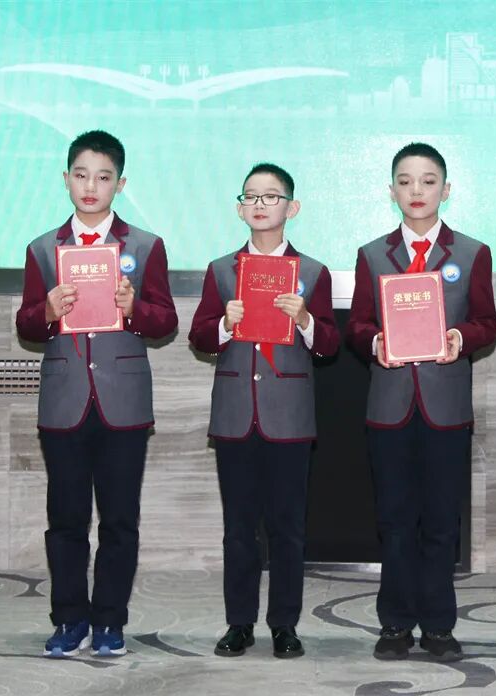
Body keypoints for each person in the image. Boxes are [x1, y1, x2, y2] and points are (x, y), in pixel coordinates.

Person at [16, 129, 178, 658]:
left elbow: (165, 322)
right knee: (65, 520)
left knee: (119, 521)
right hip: (63, 401)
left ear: (120, 184)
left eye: (103, 177)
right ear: (66, 179)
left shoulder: (145, 246)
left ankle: (109, 622)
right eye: (82, 176)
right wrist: (46, 311)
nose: (91, 187)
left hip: (123, 404)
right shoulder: (43, 248)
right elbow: (26, 325)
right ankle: (69, 620)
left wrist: (134, 308)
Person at [346, 142, 496, 662]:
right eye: (406, 181)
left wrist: (461, 337)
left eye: (428, 181)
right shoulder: (372, 254)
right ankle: (394, 624)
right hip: (389, 406)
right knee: (394, 520)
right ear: (391, 191)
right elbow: (357, 325)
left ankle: (438, 625)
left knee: (440, 522)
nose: (417, 191)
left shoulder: (472, 253)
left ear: (446, 190)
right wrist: (375, 342)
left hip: (446, 407)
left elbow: (488, 322)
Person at [188, 163, 340, 659]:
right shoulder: (221, 270)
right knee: (238, 529)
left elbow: (330, 346)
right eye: (250, 196)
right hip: (235, 415)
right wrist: (224, 324)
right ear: (239, 209)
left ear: (291, 208)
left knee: (287, 529)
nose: (259, 205)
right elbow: (199, 337)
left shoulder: (312, 272)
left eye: (271, 197)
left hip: (289, 417)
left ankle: (284, 625)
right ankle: (239, 623)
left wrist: (307, 319)